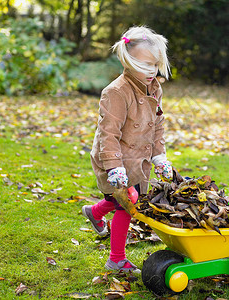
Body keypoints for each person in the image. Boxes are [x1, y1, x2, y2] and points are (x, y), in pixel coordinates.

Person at [81, 26, 173, 273]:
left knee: (120, 199)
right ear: (128, 60)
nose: (151, 71)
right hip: (114, 161)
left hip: (137, 160)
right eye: (145, 65)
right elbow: (107, 134)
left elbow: (157, 125)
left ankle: (94, 212)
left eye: (155, 65)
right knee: (126, 206)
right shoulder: (116, 92)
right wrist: (114, 167)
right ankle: (116, 259)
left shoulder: (154, 88)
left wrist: (159, 156)